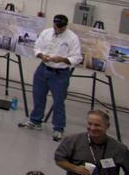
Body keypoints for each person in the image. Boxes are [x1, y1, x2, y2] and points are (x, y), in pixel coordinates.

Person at [19, 13, 82, 141]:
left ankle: (58, 128)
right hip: (43, 69)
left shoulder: (72, 38)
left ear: (65, 26)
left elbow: (77, 57)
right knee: (38, 96)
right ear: (53, 23)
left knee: (58, 101)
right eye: (56, 26)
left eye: (61, 28)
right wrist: (42, 56)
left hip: (60, 73)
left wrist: (62, 59)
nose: (58, 29)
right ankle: (35, 121)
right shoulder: (46, 32)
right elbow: (37, 47)